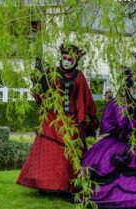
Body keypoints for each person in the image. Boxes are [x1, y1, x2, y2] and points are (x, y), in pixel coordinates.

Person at [81, 54, 136, 209]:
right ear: (129, 86)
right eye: (135, 87)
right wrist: (127, 122)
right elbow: (112, 125)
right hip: (117, 144)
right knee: (110, 169)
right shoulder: (116, 103)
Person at [17, 44, 97, 193]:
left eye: (70, 59)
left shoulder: (79, 76)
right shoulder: (52, 72)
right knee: (50, 151)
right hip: (53, 118)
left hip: (72, 120)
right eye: (64, 58)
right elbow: (43, 93)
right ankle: (45, 184)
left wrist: (87, 118)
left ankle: (70, 185)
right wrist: (37, 81)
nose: (66, 61)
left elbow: (85, 97)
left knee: (70, 154)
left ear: (75, 61)